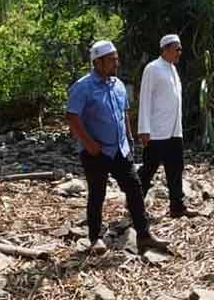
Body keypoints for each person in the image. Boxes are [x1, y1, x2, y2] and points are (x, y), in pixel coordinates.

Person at [66, 40, 171, 255]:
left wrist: (129, 139)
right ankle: (95, 238)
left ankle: (144, 235)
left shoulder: (118, 85)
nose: (116, 63)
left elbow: (124, 113)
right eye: (111, 60)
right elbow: (72, 116)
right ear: (97, 62)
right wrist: (88, 143)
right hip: (96, 152)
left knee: (134, 189)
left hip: (120, 150)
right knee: (97, 193)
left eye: (116, 59)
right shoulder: (83, 87)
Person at [137, 34, 193, 218]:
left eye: (180, 49)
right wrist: (144, 129)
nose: (180, 52)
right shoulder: (153, 68)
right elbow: (145, 99)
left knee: (176, 169)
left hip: (175, 130)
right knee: (149, 169)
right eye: (177, 49)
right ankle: (135, 204)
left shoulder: (173, 69)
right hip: (156, 131)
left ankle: (177, 206)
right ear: (166, 49)